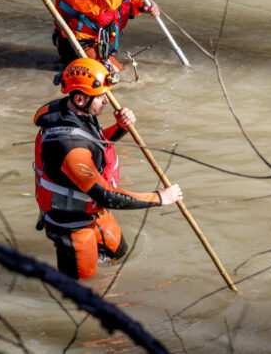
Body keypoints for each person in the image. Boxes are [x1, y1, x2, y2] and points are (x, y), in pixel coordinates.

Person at [33, 57, 183, 280]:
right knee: (83, 289)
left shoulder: (75, 112)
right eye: (101, 96)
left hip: (90, 209)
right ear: (80, 98)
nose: (107, 100)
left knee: (118, 255)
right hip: (71, 225)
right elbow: (107, 197)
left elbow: (94, 143)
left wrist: (121, 127)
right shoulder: (67, 146)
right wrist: (159, 198)